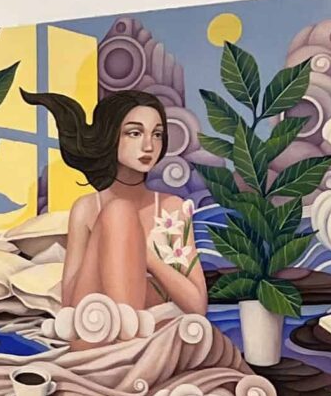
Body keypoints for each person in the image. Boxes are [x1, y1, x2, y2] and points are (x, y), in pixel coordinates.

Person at [21, 88, 207, 329]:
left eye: (157, 134)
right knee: (119, 211)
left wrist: (147, 258)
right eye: (135, 133)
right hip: (94, 322)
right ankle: (125, 332)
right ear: (111, 136)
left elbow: (198, 305)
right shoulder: (86, 208)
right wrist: (109, 251)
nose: (149, 145)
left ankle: (129, 333)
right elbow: (70, 303)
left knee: (120, 212)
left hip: (147, 323)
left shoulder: (172, 208)